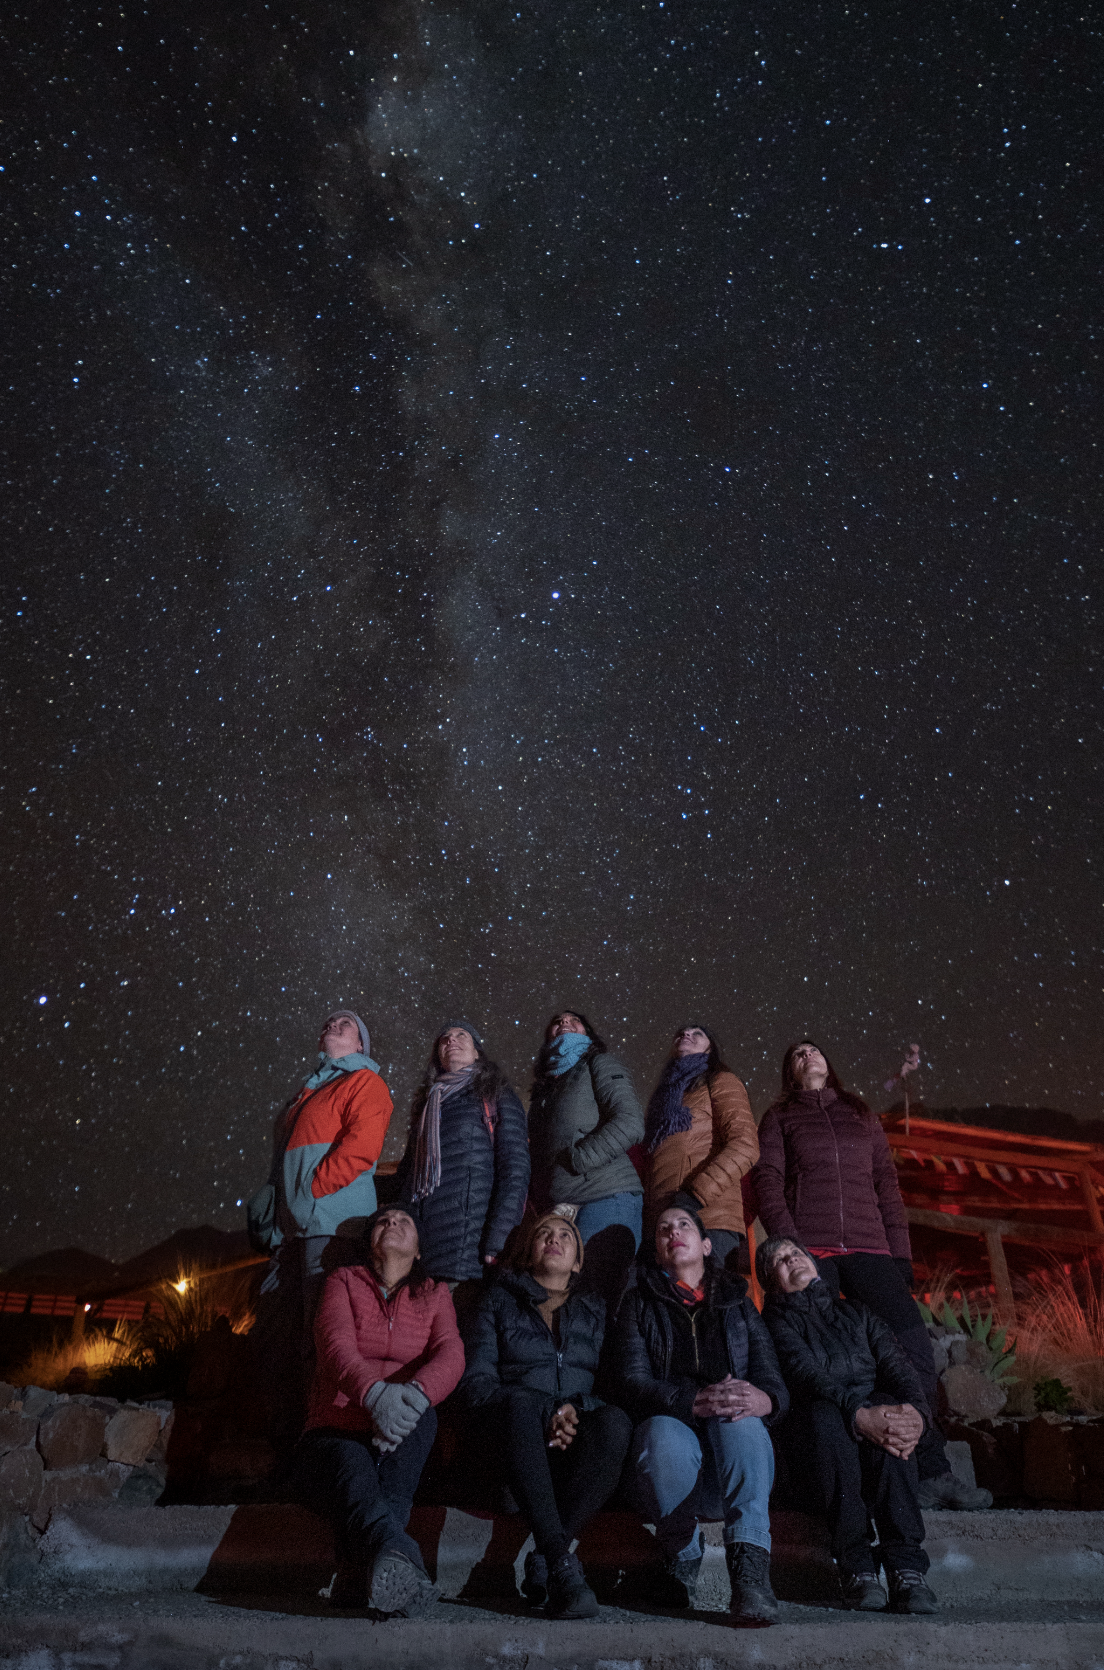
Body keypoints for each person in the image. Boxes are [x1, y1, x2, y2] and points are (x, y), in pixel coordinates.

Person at [750, 1039, 990, 1510]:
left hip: (870, 1248)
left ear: (828, 1063)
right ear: (790, 1073)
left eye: (814, 1050)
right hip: (813, 1250)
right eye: (796, 1055)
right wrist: (791, 1246)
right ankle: (831, 1469)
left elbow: (886, 1183)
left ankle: (930, 1468)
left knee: (912, 1352)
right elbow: (767, 1181)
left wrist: (900, 1253)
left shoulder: (860, 1115)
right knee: (817, 1353)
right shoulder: (780, 1118)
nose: (807, 1056)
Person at [614, 1194, 788, 1625]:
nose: (674, 1232)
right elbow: (632, 1380)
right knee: (660, 1434)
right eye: (664, 1230)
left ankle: (749, 1574)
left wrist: (765, 1400)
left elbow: (772, 1380)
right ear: (657, 1249)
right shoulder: (639, 1303)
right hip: (674, 1466)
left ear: (707, 1246)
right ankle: (682, 1553)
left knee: (741, 1420)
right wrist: (689, 1401)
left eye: (684, 1226)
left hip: (734, 1465)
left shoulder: (738, 1301)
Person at [458, 1207, 633, 1619]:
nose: (554, 1239)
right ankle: (561, 1562)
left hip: (574, 1452)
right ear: (529, 1251)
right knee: (519, 1403)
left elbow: (612, 1386)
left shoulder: (594, 1309)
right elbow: (477, 1385)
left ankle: (546, 1558)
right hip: (513, 1445)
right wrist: (545, 1410)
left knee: (615, 1423)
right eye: (544, 1233)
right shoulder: (497, 1302)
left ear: (577, 1260)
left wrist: (576, 1408)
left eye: (565, 1236)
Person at [297, 1205, 464, 1615]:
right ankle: (399, 1555)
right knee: (354, 1466)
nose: (393, 1224)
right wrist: (375, 1397)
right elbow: (334, 1344)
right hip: (339, 1425)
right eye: (384, 1221)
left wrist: (413, 1397)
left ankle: (364, 1572)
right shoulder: (342, 1281)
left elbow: (451, 1353)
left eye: (404, 1221)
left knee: (426, 1417)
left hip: (404, 1425)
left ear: (420, 1250)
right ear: (369, 1241)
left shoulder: (435, 1294)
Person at [758, 1235, 939, 1615]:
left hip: (872, 1427)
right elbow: (805, 1375)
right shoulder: (774, 1322)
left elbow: (898, 1366)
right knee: (825, 1416)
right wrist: (858, 1415)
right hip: (816, 1441)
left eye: (796, 1252)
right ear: (771, 1279)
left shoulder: (856, 1312)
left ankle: (906, 1568)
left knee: (893, 1409)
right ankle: (857, 1567)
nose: (792, 1260)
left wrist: (917, 1417)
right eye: (780, 1260)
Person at [254, 1010, 394, 1438]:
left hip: (330, 1225)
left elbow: (360, 1149)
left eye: (346, 1024)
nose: (333, 1024)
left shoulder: (364, 1083)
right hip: (295, 1229)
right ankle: (284, 1432)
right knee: (283, 1330)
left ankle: (322, 1438)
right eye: (329, 1021)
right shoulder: (312, 1089)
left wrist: (312, 1192)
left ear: (361, 1046)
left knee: (322, 1332)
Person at [393, 1019, 529, 1292]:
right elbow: (407, 1179)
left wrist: (499, 1238)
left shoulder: (495, 1094)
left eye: (461, 1035)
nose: (451, 1040)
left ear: (477, 1052)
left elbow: (515, 1170)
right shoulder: (428, 1108)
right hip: (420, 1251)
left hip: (469, 1248)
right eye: (444, 1038)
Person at [527, 1010, 645, 1303]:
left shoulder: (598, 1064)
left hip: (606, 1195)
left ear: (587, 1033)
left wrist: (579, 1160)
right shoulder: (545, 1090)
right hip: (560, 1206)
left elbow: (630, 1122)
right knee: (557, 1297)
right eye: (556, 1021)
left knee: (594, 1294)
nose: (564, 1022)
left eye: (573, 1020)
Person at [644, 1024, 759, 1272]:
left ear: (710, 1049)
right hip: (663, 1221)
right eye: (682, 1033)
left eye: (697, 1033)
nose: (686, 1035)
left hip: (709, 1217)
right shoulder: (664, 1098)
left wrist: (693, 1197)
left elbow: (745, 1145)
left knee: (710, 1303)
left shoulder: (721, 1081)